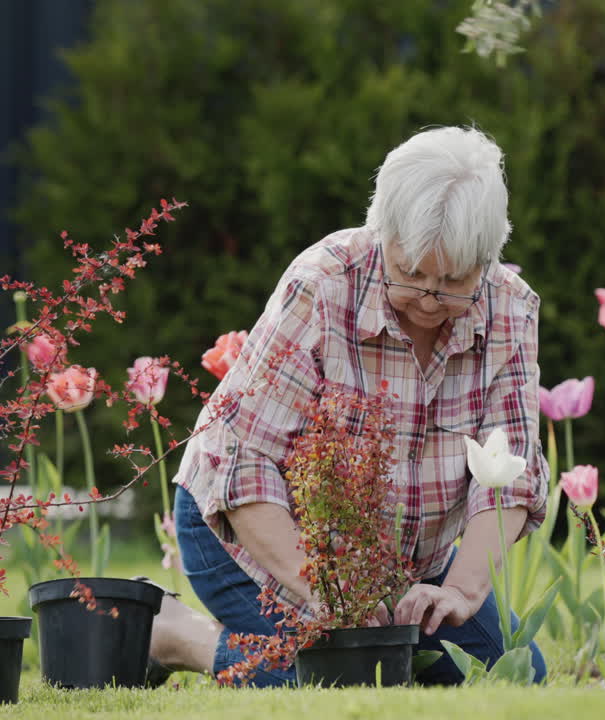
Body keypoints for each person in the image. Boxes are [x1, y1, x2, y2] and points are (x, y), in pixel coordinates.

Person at [153, 126, 549, 686]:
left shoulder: (510, 310)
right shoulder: (322, 285)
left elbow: (507, 475)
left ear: (487, 259)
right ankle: (176, 635)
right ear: (381, 232)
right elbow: (245, 466)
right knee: (343, 680)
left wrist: (459, 591)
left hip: (410, 566)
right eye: (411, 274)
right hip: (249, 536)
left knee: (515, 674)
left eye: (453, 280)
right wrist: (333, 595)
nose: (430, 300)